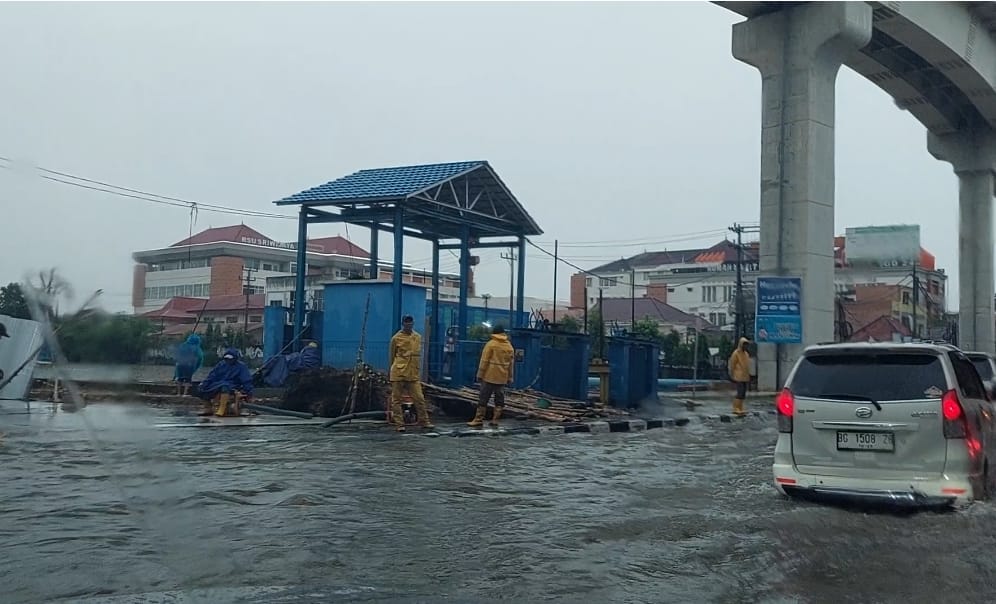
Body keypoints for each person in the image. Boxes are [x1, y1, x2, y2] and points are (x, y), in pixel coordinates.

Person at [388, 315, 433, 431]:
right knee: (396, 400)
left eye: (410, 322)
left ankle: (424, 422)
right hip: (399, 372)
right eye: (406, 322)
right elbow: (392, 356)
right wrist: (393, 370)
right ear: (403, 323)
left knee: (419, 398)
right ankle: (399, 424)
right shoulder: (396, 338)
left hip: (413, 373)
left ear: (413, 323)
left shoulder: (417, 337)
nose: (408, 324)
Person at [468, 325, 515, 428]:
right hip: (502, 378)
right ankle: (495, 420)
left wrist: (480, 374)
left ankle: (478, 420)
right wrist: (510, 377)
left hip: (489, 376)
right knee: (499, 400)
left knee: (483, 398)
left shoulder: (491, 344)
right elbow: (511, 364)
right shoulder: (509, 347)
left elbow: (484, 361)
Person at [197, 347, 254, 417]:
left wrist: (248, 392)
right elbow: (212, 375)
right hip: (218, 384)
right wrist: (205, 383)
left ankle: (222, 408)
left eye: (230, 359)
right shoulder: (221, 365)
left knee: (225, 387)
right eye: (227, 358)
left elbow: (246, 380)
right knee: (202, 387)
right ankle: (208, 408)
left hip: (233, 385)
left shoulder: (241, 367)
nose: (228, 360)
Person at [728, 336, 751, 417]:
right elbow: (732, 364)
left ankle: (740, 407)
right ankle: (736, 408)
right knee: (740, 392)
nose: (746, 346)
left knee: (743, 393)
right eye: (744, 344)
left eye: (747, 345)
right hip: (738, 376)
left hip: (745, 376)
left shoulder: (746, 354)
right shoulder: (736, 353)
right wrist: (731, 374)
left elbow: (747, 365)